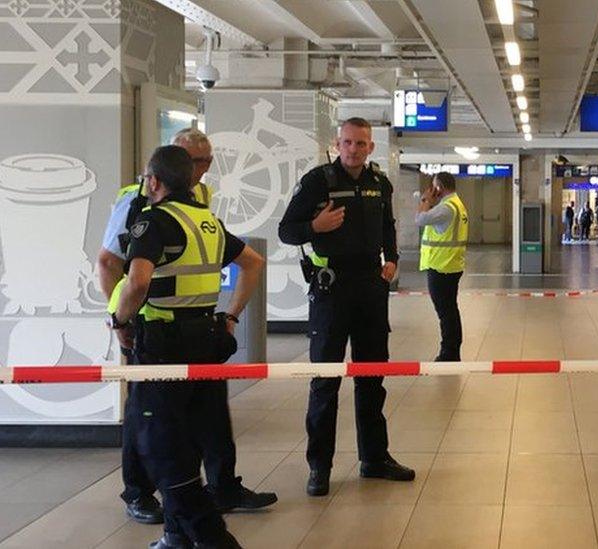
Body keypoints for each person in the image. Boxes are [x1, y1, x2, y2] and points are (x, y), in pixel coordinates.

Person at [97, 128, 276, 526]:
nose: (202, 169)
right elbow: (110, 264)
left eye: (207, 161)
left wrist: (228, 317)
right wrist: (121, 320)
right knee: (150, 418)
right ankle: (142, 493)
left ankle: (216, 489)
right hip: (152, 325)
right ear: (171, 162)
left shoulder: (200, 204)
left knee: (206, 415)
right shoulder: (135, 203)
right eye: (196, 161)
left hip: (198, 329)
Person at [278, 117, 415, 498]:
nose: (354, 150)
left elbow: (387, 226)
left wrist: (392, 257)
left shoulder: (379, 184)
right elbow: (287, 230)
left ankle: (374, 458)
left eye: (361, 144)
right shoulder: (318, 181)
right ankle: (319, 467)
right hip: (331, 291)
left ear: (371, 147)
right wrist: (315, 227)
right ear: (337, 144)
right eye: (348, 143)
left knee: (372, 379)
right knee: (325, 381)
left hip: (372, 288)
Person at [416, 172, 468, 361]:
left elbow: (420, 219)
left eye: (434, 187)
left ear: (439, 187)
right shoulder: (456, 204)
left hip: (441, 267)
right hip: (450, 265)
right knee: (449, 311)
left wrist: (425, 199)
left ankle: (449, 353)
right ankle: (451, 351)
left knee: (446, 313)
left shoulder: (447, 208)